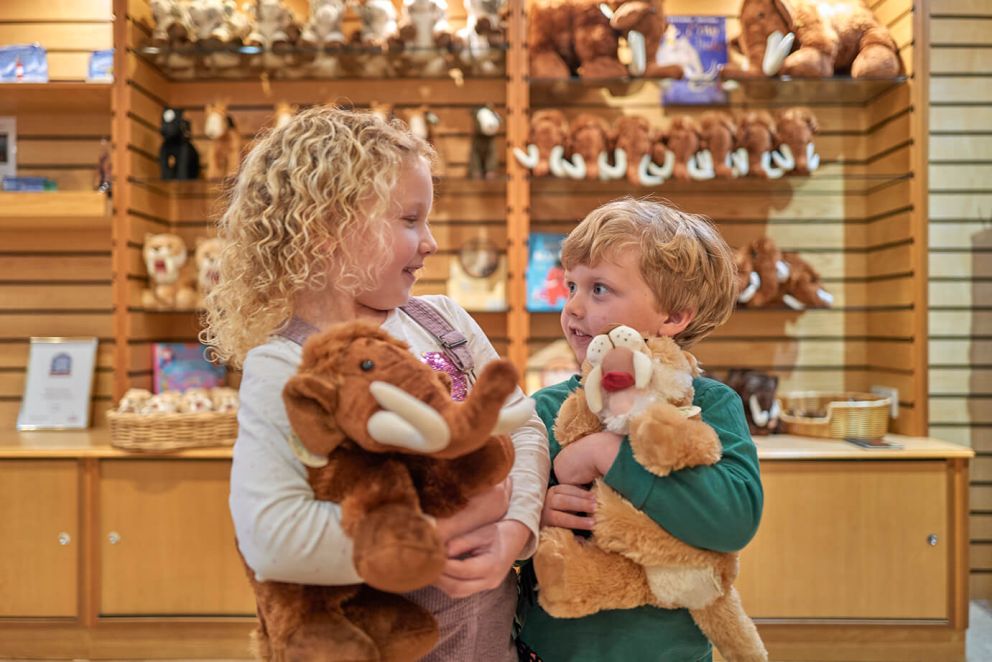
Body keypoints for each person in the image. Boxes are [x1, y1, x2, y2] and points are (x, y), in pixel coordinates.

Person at [201, 106, 549, 660]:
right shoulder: (285, 366)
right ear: (325, 230)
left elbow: (525, 429)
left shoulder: (446, 322)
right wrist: (449, 524)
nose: (431, 241)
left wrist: (514, 532)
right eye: (409, 220)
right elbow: (273, 538)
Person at [516, 197, 763, 662]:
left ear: (673, 316)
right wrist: (538, 514)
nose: (573, 307)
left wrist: (609, 453)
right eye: (571, 285)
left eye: (600, 289)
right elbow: (508, 525)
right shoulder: (545, 408)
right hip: (550, 649)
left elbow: (733, 521)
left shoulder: (711, 405)